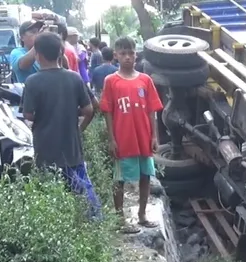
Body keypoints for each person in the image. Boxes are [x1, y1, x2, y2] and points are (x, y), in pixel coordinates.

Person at [21, 32, 101, 219]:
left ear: (37, 55)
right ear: (61, 53)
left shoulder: (32, 81)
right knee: (81, 186)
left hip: (45, 148)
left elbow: (28, 114)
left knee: (51, 191)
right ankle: (94, 222)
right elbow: (89, 110)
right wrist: (78, 129)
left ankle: (61, 223)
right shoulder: (74, 78)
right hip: (71, 146)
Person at [100, 36, 163, 233]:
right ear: (116, 56)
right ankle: (120, 219)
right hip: (123, 137)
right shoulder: (111, 81)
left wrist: (154, 137)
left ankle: (142, 215)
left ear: (136, 55)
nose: (127, 57)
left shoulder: (146, 80)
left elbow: (152, 111)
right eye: (123, 53)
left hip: (143, 136)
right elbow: (108, 111)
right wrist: (111, 139)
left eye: (131, 53)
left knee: (145, 176)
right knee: (120, 178)